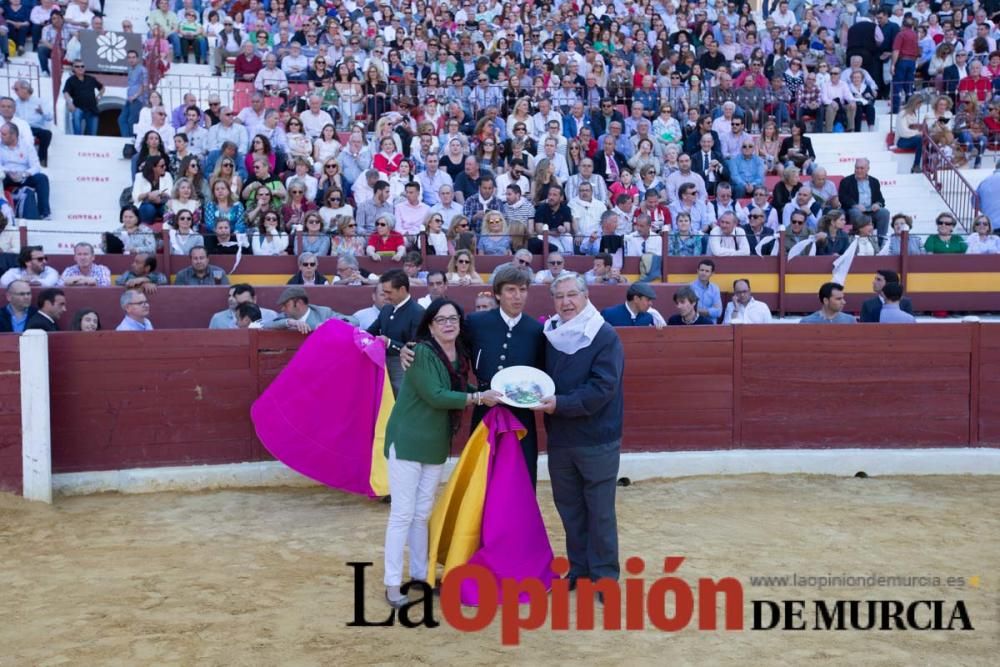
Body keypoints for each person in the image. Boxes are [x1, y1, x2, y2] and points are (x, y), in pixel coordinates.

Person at [382, 298, 502, 608]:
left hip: (434, 442)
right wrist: (477, 397)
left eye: (453, 319)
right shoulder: (421, 352)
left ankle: (422, 577)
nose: (448, 324)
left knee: (421, 513)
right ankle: (393, 583)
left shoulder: (460, 355)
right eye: (441, 319)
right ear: (431, 325)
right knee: (403, 514)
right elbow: (436, 396)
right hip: (408, 439)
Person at [530, 274, 624, 593]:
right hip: (562, 438)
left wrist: (560, 405)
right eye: (559, 297)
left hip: (597, 438)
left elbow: (602, 388)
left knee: (599, 512)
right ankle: (580, 571)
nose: (566, 302)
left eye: (572, 295)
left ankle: (605, 578)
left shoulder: (604, 335)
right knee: (570, 508)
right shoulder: (551, 333)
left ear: (586, 296)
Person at [368, 270, 424, 396]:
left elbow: (416, 349)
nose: (386, 297)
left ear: (402, 290)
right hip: (382, 366)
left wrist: (389, 343)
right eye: (384, 293)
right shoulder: (387, 309)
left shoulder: (418, 312)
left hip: (404, 368)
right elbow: (370, 332)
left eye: (389, 292)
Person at [0, 123, 51, 220]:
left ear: (13, 135)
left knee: (42, 178)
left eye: (3, 134)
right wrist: (8, 172)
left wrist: (24, 174)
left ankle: (44, 213)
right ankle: (3, 211)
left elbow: (36, 166)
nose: (0, 136)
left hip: (24, 176)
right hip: (6, 176)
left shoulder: (26, 146)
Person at [264, 286, 357, 334]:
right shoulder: (285, 316)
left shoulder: (323, 313)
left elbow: (354, 321)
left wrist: (329, 324)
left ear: (299, 303)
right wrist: (291, 322)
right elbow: (266, 325)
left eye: (286, 305)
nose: (282, 308)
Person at [838, 159, 890, 241]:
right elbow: (842, 198)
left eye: (861, 168)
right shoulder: (846, 181)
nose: (858, 170)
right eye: (857, 168)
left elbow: (880, 199)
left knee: (884, 212)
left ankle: (881, 242)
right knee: (856, 212)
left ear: (867, 169)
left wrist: (878, 204)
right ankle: (860, 241)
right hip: (854, 210)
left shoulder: (874, 181)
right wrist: (855, 205)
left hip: (871, 211)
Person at [62, 60, 104, 136]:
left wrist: (99, 96)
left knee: (93, 135)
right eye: (77, 66)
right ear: (73, 68)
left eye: (82, 66)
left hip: (92, 109)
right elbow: (65, 92)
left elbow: (102, 87)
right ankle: (77, 139)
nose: (80, 68)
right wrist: (69, 103)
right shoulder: (70, 80)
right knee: (76, 115)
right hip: (78, 108)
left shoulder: (91, 79)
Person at [209, 284, 277, 329]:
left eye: (245, 303)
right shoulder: (218, 319)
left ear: (254, 299)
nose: (242, 308)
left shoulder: (270, 315)